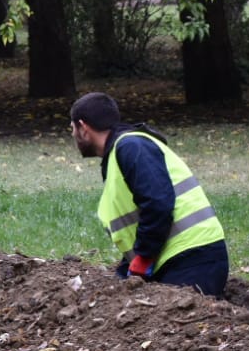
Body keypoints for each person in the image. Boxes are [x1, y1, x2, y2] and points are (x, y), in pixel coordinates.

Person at [69, 92, 229, 297]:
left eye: (72, 128)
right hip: (180, 258)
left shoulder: (130, 146)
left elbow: (158, 202)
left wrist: (143, 257)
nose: (73, 134)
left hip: (193, 258)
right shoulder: (123, 151)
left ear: (83, 127)